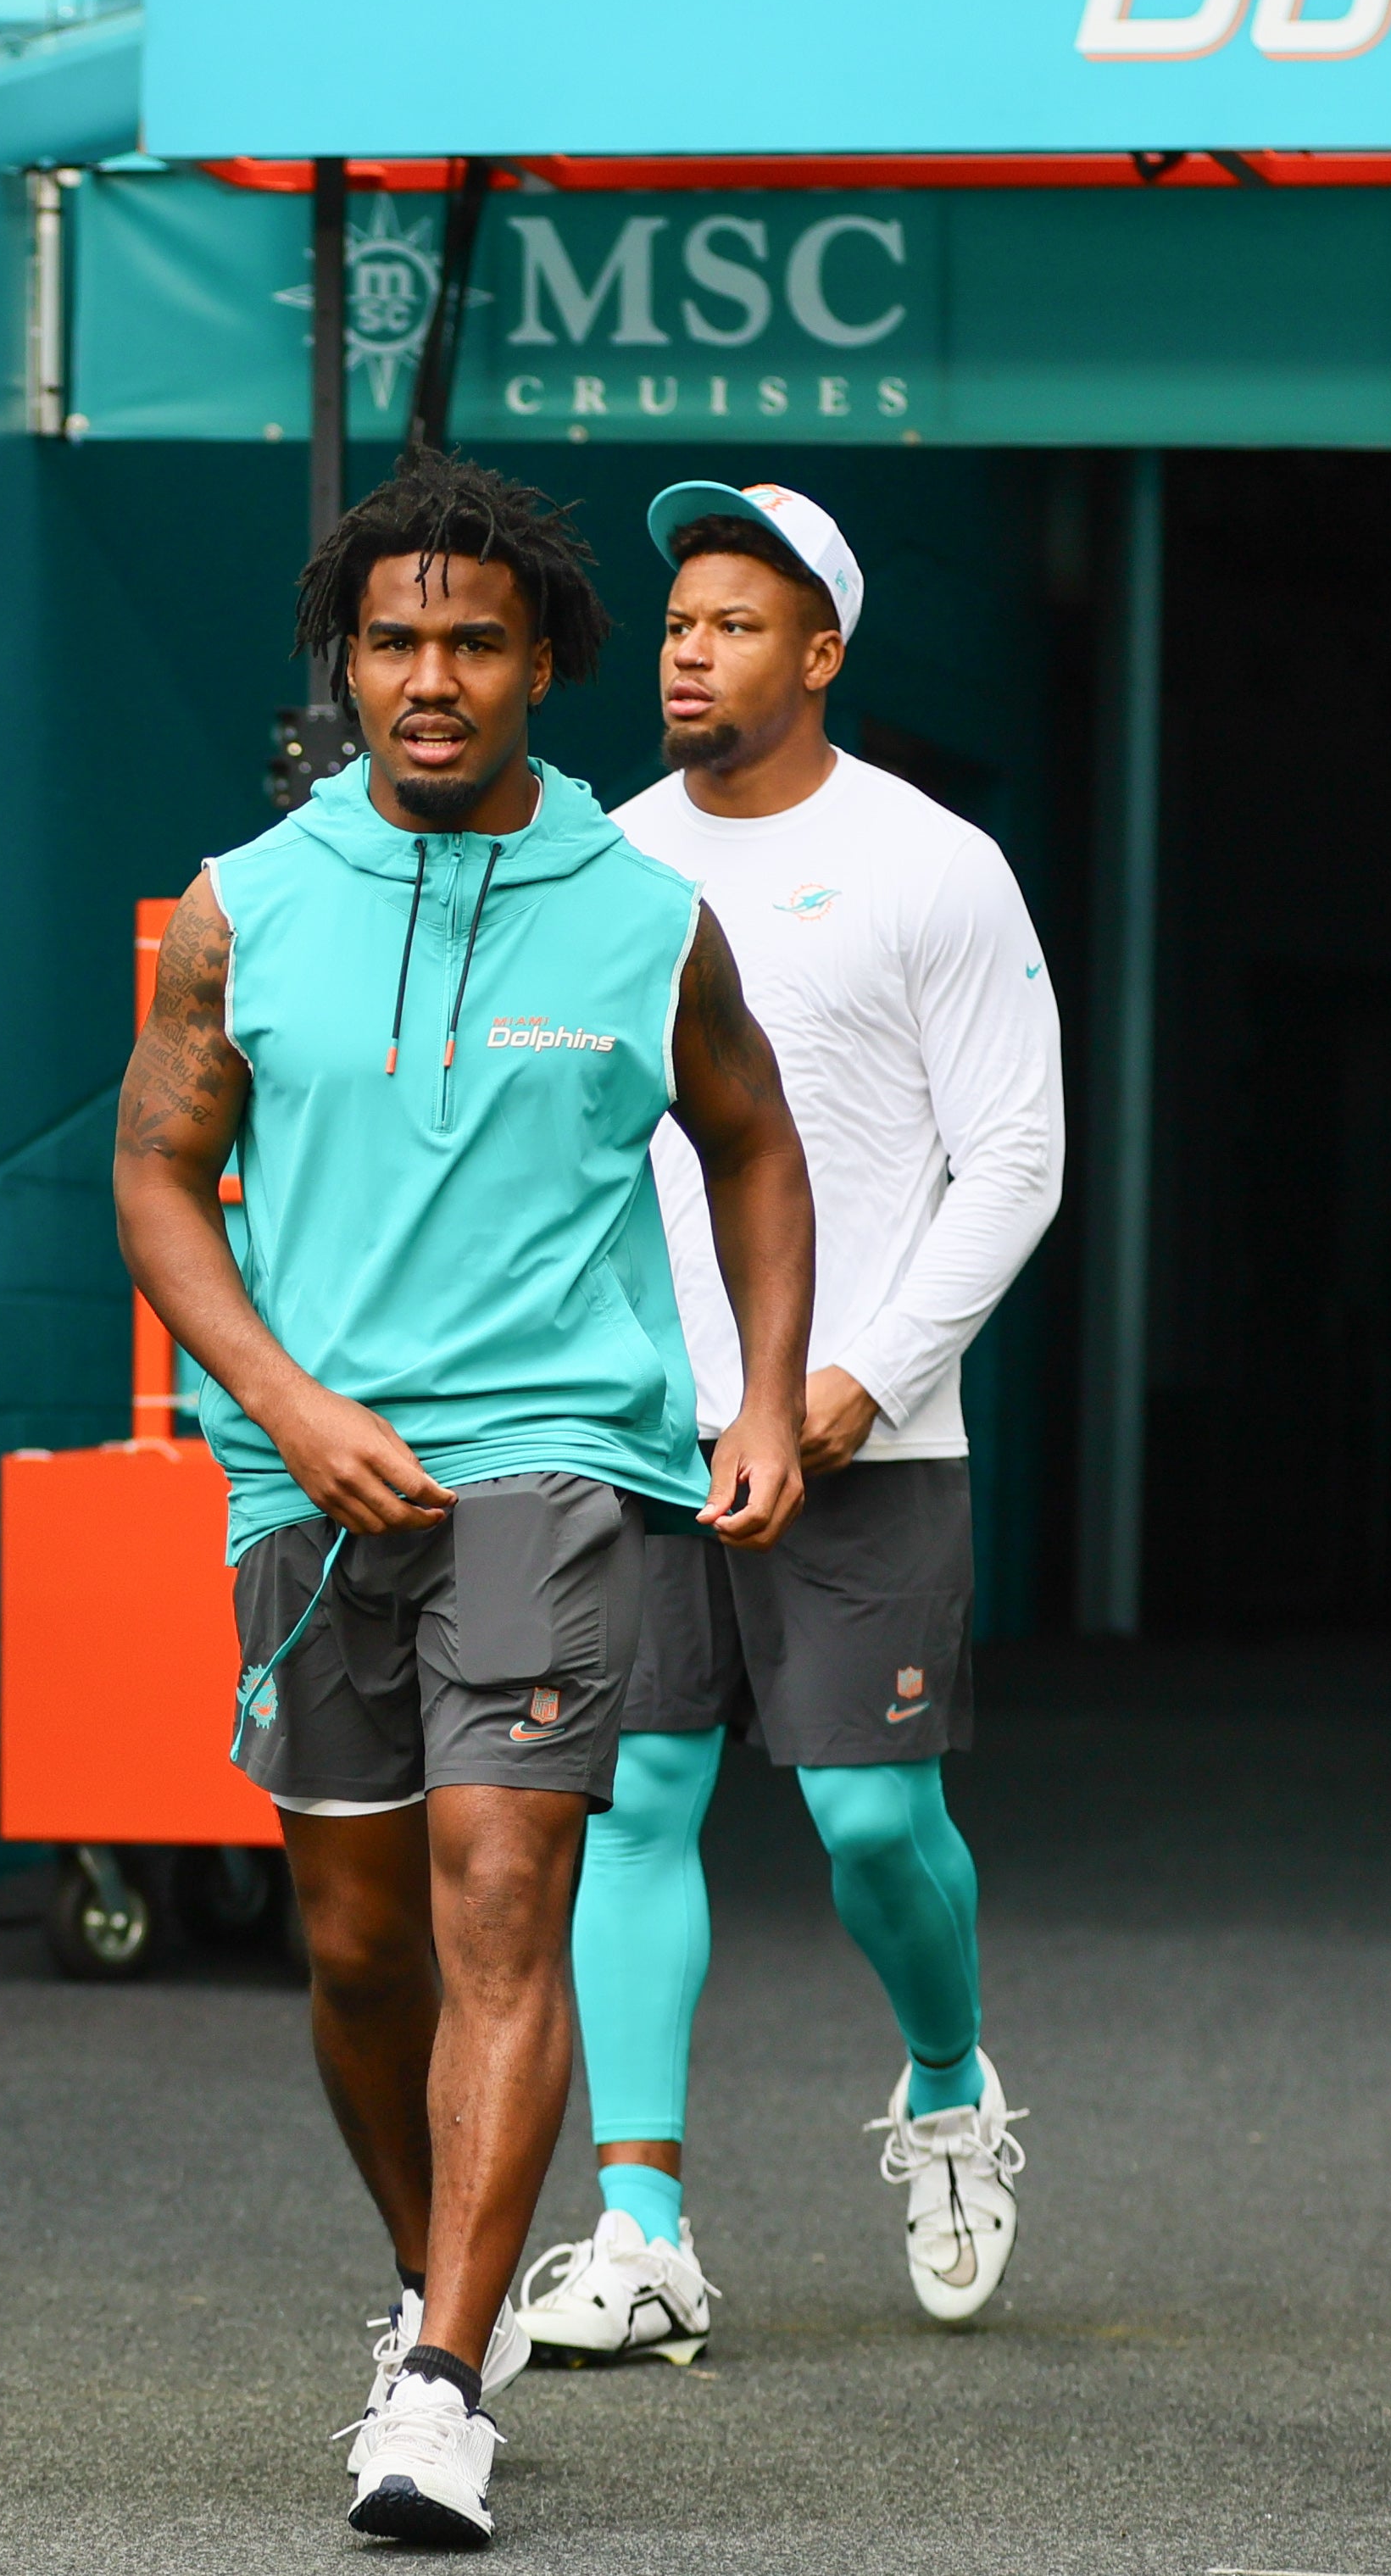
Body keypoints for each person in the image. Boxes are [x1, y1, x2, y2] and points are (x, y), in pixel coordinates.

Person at [112, 450, 815, 2549]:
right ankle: (460, 2279)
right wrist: (278, 1398)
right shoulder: (242, 901)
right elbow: (156, 1168)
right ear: (343, 656)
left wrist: (759, 1390)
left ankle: (428, 2381)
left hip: (560, 1457)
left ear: (543, 665)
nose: (430, 678)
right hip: (304, 1472)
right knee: (351, 1946)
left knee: (501, 1887)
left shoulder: (643, 912)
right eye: (393, 639)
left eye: (474, 643)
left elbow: (754, 1140)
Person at [504, 481, 1062, 2373]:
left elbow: (1014, 1159)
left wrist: (857, 1378)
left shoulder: (931, 864)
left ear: (818, 654)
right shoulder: (594, 863)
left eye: (734, 622)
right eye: (675, 618)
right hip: (637, 1429)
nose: (686, 646)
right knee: (633, 1800)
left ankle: (943, 2086)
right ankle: (640, 2221)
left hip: (862, 1436)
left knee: (867, 1820)